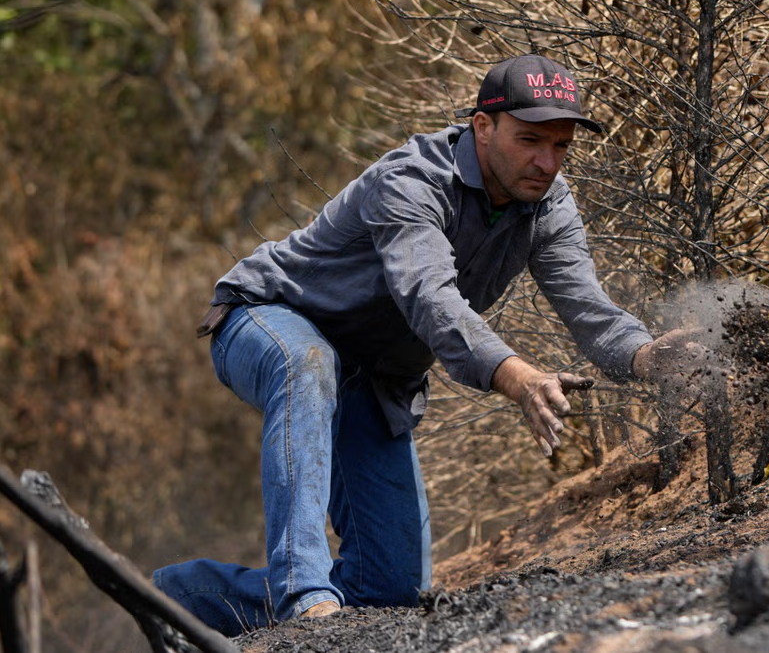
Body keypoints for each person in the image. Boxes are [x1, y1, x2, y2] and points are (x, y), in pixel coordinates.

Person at [153, 54, 691, 635]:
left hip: (374, 378)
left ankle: (185, 600)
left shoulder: (548, 205)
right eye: (530, 140)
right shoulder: (411, 179)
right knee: (307, 361)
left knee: (391, 592)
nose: (546, 162)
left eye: (561, 146)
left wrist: (650, 356)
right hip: (266, 320)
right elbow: (430, 299)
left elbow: (590, 313)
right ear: (483, 127)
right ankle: (304, 598)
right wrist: (519, 378)